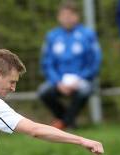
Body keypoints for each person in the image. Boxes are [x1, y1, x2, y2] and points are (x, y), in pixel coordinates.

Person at [38, 1, 101, 130]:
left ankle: (64, 123)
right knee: (43, 91)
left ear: (76, 16)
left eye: (70, 15)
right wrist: (57, 82)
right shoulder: (52, 36)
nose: (67, 18)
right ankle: (68, 120)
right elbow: (47, 63)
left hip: (81, 79)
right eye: (63, 15)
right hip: (59, 80)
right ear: (59, 17)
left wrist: (79, 79)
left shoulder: (88, 35)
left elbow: (94, 62)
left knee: (84, 91)